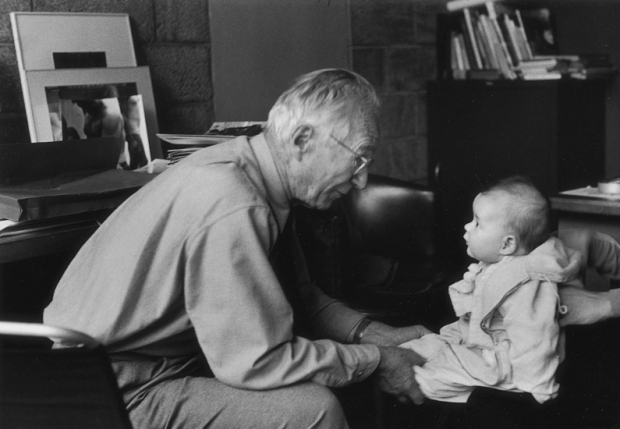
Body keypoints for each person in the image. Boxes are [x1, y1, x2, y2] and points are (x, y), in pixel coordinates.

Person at [43, 69, 432, 429]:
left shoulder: (255, 174)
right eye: (359, 157)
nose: (363, 180)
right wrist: (373, 362)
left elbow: (303, 298)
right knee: (313, 410)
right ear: (302, 140)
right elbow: (255, 361)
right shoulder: (236, 202)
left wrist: (372, 335)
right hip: (110, 390)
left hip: (137, 365)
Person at [399, 176, 582, 405]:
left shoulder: (525, 284)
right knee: (412, 350)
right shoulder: (499, 264)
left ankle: (484, 398)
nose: (467, 226)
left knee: (428, 380)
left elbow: (535, 338)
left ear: (507, 245)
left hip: (504, 363)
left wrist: (538, 388)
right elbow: (478, 314)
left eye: (477, 223)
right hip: (478, 342)